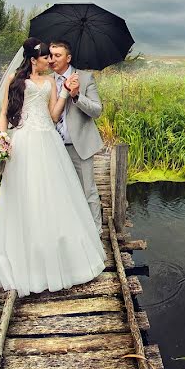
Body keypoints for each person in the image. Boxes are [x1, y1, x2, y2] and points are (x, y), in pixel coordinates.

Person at [0, 37, 105, 297]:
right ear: (33, 59)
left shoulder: (52, 82)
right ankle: (29, 257)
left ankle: (64, 251)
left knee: (56, 195)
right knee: (25, 196)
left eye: (54, 56)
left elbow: (53, 115)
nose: (49, 60)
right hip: (25, 142)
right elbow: (5, 114)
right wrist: (0, 140)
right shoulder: (14, 82)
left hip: (48, 141)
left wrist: (67, 93)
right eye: (45, 57)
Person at [47, 40, 104, 233]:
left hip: (79, 145)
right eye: (51, 55)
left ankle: (95, 236)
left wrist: (77, 96)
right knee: (60, 193)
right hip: (53, 147)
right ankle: (71, 235)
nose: (53, 60)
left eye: (58, 55)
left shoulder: (86, 78)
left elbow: (97, 111)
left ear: (68, 58)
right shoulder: (47, 81)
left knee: (88, 193)